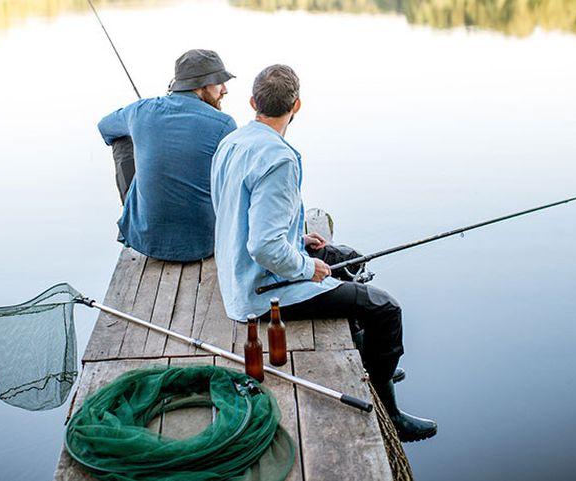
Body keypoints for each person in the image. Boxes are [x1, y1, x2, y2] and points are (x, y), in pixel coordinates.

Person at [210, 65, 437, 442]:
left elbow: (243, 213)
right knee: (385, 309)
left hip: (239, 272)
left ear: (253, 103)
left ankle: (375, 361)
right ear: (297, 105)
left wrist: (298, 237)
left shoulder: (233, 142)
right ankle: (391, 414)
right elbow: (264, 247)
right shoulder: (279, 159)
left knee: (349, 257)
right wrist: (306, 266)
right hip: (264, 292)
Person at [98, 49, 237, 262]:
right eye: (219, 82)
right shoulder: (225, 124)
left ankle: (135, 213)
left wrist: (144, 133)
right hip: (205, 243)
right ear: (202, 86)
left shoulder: (140, 110)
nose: (224, 89)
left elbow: (106, 127)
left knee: (122, 138)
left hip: (146, 240)